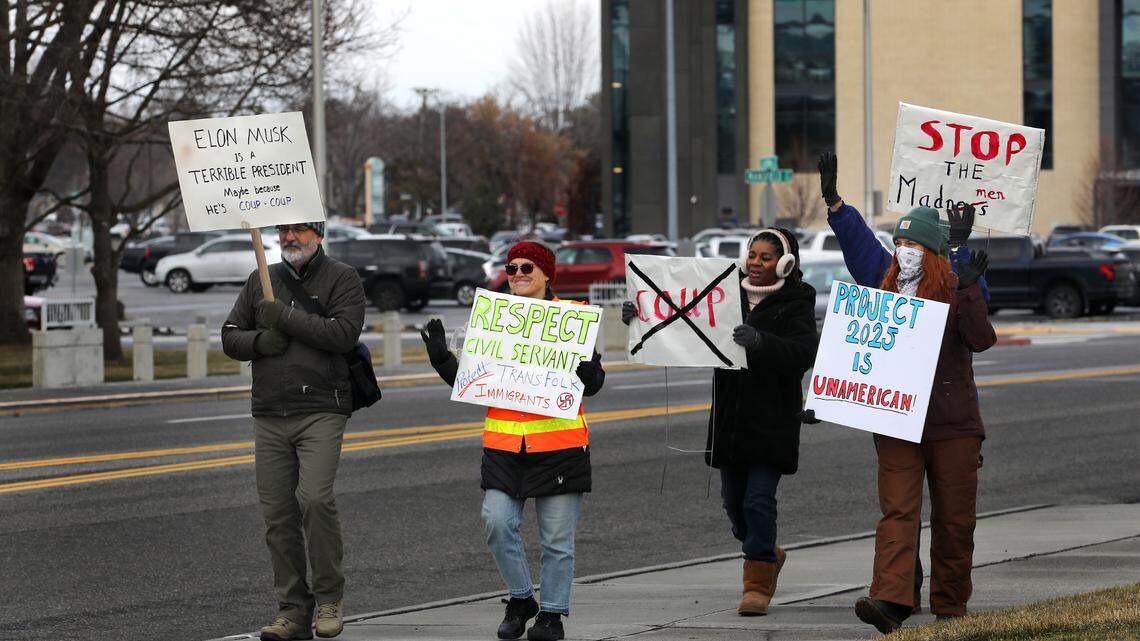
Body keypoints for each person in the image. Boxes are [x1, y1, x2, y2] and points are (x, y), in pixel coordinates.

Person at [815, 152, 997, 633]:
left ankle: (950, 604)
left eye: (913, 242)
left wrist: (968, 284)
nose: (904, 250)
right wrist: (836, 205)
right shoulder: (885, 283)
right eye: (899, 242)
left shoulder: (958, 283)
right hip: (897, 422)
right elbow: (860, 245)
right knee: (897, 513)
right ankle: (892, 600)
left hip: (953, 425)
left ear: (933, 249)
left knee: (955, 520)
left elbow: (980, 338)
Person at [621, 229, 818, 616]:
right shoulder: (723, 291)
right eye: (752, 254)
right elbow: (681, 322)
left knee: (758, 502)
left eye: (765, 257)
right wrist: (640, 317)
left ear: (785, 263)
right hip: (731, 421)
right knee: (734, 505)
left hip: (772, 420)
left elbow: (804, 352)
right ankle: (766, 551)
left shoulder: (797, 300)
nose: (755, 262)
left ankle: (756, 583)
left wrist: (761, 342)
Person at [419, 241, 606, 641]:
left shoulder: (571, 318)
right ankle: (521, 599)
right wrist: (442, 360)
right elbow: (474, 382)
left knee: (557, 542)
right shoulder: (495, 319)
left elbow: (593, 381)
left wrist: (591, 375)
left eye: (527, 268)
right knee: (497, 523)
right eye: (512, 268)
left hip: (560, 448)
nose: (518, 274)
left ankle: (552, 615)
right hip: (505, 448)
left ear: (546, 274)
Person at [221, 221, 366, 641]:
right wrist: (258, 342)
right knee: (278, 516)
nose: (289, 238)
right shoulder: (261, 279)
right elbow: (230, 337)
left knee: (315, 499)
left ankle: (329, 599)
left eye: (299, 230)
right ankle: (292, 611)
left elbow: (343, 334)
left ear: (318, 235)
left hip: (321, 406)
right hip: (270, 410)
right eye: (284, 230)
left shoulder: (342, 277)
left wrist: (284, 316)